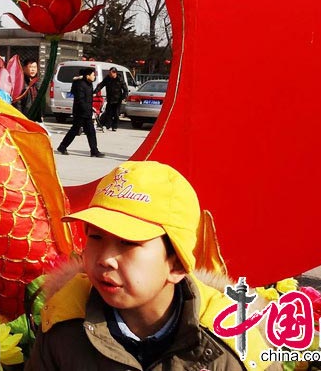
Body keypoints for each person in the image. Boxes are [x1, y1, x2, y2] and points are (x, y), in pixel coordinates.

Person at [27, 161, 274, 371]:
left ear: (176, 265)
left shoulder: (233, 345)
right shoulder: (63, 326)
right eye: (96, 237)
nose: (105, 258)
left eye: (128, 242)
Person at [57, 68, 104, 157]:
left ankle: (94, 151)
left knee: (91, 131)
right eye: (93, 74)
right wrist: (87, 110)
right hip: (80, 112)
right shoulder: (80, 85)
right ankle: (62, 147)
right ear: (87, 76)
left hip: (86, 112)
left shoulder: (88, 84)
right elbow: (80, 100)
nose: (94, 76)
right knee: (75, 130)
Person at [95, 67, 128, 131]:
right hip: (110, 98)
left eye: (111, 73)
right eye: (109, 73)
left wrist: (123, 97)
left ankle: (114, 126)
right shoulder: (107, 78)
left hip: (117, 99)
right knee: (108, 112)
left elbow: (125, 90)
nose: (110, 75)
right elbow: (101, 85)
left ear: (115, 73)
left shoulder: (120, 79)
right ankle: (107, 125)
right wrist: (95, 91)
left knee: (116, 114)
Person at [17, 58, 43, 122]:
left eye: (35, 67)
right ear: (24, 68)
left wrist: (41, 115)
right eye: (30, 67)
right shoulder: (20, 82)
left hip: (35, 117)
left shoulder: (37, 82)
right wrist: (20, 116)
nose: (33, 69)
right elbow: (18, 102)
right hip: (24, 116)